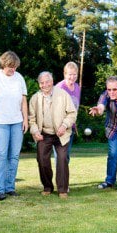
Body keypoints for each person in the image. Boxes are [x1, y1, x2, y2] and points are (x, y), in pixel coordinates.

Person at [0, 51, 28, 201]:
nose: (13, 70)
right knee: (0, 155)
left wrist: (25, 120)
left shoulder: (19, 78)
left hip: (17, 122)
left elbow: (23, 102)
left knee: (14, 156)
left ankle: (10, 187)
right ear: (4, 64)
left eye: (15, 67)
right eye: (10, 67)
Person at [28, 71, 77, 199]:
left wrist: (64, 125)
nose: (45, 85)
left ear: (52, 81)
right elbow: (31, 119)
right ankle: (47, 187)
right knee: (42, 160)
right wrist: (35, 131)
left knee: (62, 159)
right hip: (44, 134)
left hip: (61, 133)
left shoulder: (63, 94)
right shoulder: (34, 98)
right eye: (42, 83)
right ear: (39, 84)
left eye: (47, 81)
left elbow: (72, 113)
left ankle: (62, 189)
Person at [54, 61, 81, 163]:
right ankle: (61, 179)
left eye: (75, 74)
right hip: (60, 126)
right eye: (70, 74)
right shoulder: (59, 88)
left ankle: (63, 178)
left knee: (66, 156)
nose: (72, 77)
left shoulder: (77, 87)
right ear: (65, 74)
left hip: (71, 127)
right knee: (61, 156)